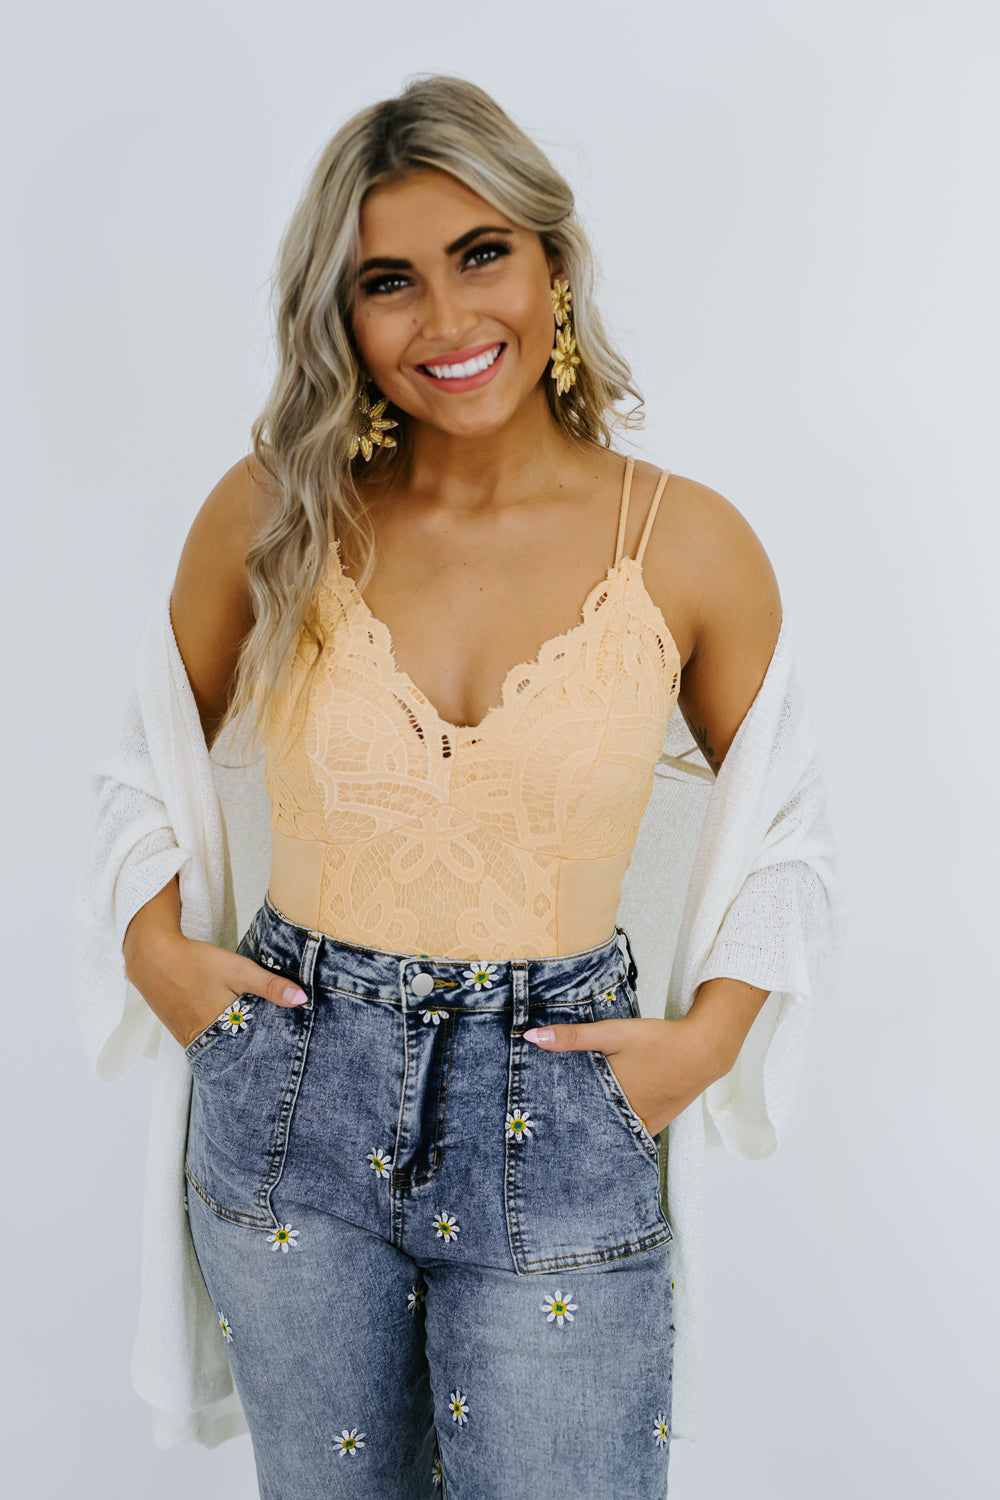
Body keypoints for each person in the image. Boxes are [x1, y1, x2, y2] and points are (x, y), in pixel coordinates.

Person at [74, 75, 842, 1500]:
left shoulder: (688, 544)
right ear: (342, 316)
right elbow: (145, 753)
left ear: (554, 264)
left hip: (561, 1102)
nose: (445, 318)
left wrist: (707, 1043)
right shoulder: (276, 512)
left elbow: (786, 832)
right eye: (389, 282)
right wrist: (155, 952)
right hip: (293, 1093)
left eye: (482, 254)